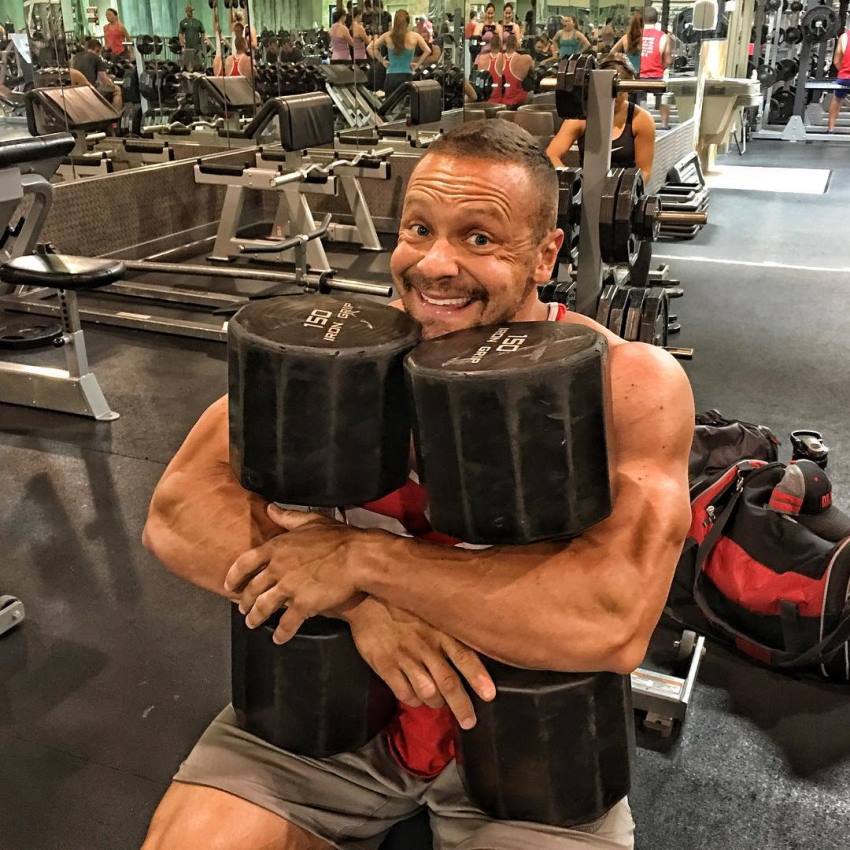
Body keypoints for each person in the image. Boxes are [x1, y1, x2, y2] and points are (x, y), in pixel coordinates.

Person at [140, 117, 693, 850]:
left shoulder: (625, 383)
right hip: (325, 721)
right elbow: (178, 512)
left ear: (544, 255)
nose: (434, 265)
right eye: (418, 229)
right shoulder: (333, 358)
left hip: (533, 745)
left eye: (478, 238)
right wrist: (364, 605)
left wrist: (364, 560)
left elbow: (613, 618)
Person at [546, 53, 655, 184]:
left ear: (628, 89)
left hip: (624, 196)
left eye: (617, 94)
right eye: (607, 94)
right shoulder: (581, 118)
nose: (612, 100)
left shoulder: (641, 120)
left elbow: (645, 171)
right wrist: (574, 184)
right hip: (587, 193)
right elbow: (551, 155)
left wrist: (623, 192)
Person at [368, 9, 431, 97]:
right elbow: (428, 50)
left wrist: (382, 61)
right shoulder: (415, 36)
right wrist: (417, 65)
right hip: (407, 76)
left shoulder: (387, 35)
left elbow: (370, 48)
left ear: (395, 22)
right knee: (406, 108)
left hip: (391, 78)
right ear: (408, 22)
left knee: (390, 108)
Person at [70, 38, 123, 111]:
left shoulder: (76, 57)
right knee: (117, 90)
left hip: (77, 90)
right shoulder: (96, 57)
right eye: (99, 52)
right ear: (97, 49)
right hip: (91, 90)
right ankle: (116, 118)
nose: (99, 54)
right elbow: (105, 81)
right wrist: (111, 81)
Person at [640, 6, 671, 128]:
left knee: (641, 100)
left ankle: (643, 123)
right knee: (663, 99)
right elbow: (668, 60)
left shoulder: (636, 35)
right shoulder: (663, 36)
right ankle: (664, 125)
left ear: (642, 19)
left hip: (639, 77)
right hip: (657, 76)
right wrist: (661, 68)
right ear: (657, 19)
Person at [498, 33, 534, 108]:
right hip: (515, 99)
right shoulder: (526, 58)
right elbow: (532, 71)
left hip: (498, 100)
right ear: (516, 44)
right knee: (531, 93)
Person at [828, 27, 850, 131]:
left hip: (845, 78)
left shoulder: (844, 37)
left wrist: (844, 71)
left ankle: (831, 128)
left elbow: (836, 61)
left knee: (837, 99)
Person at [475, 31, 504, 103]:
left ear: (490, 45)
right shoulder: (503, 57)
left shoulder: (481, 57)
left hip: (483, 100)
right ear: (500, 45)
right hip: (498, 100)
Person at [178, 5, 208, 71]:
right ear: (186, 12)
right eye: (188, 11)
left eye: (191, 11)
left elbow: (203, 32)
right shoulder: (183, 22)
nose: (189, 12)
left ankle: (200, 70)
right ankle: (187, 70)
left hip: (196, 45)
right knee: (188, 61)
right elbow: (180, 33)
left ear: (192, 12)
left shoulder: (197, 22)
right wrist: (182, 43)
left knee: (198, 61)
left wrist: (203, 41)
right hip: (188, 46)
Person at [613, 11, 643, 76]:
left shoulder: (625, 38)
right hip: (642, 74)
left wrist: (622, 57)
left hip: (629, 74)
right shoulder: (644, 38)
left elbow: (612, 52)